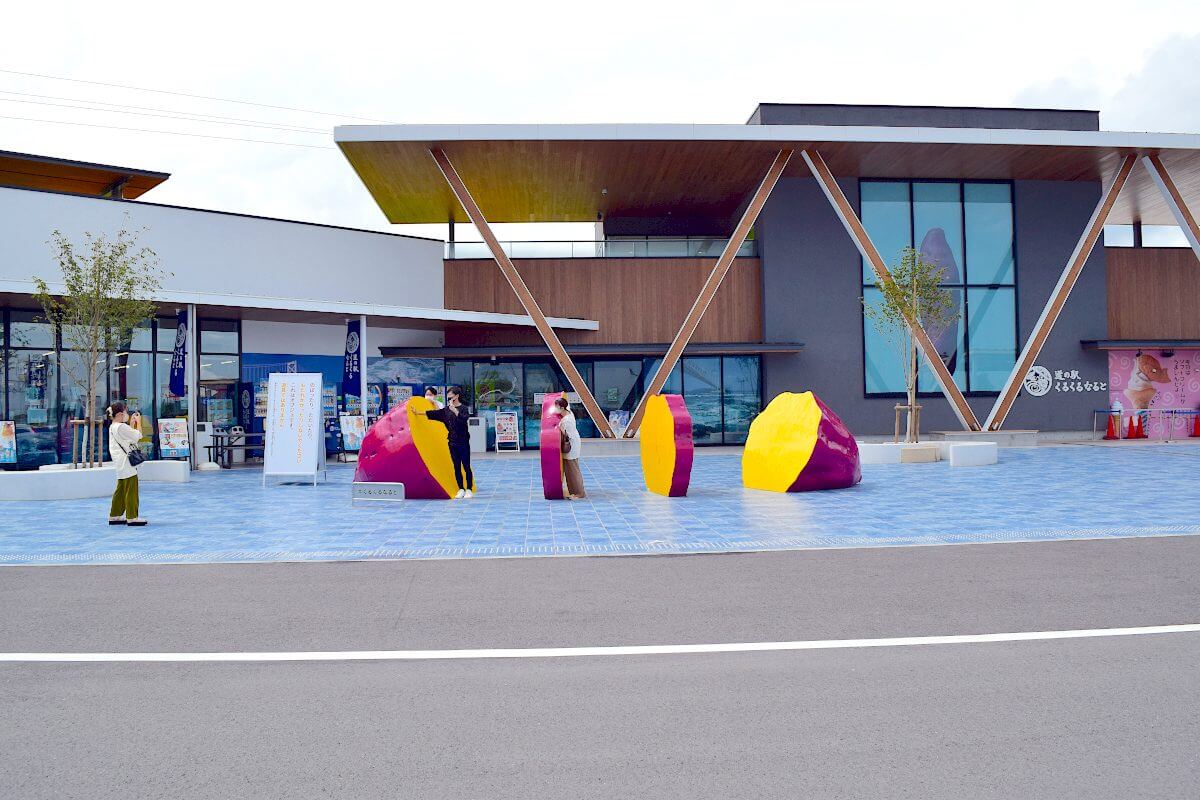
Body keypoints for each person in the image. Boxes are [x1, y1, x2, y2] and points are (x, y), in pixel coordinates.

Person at [425, 386, 473, 498]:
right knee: (456, 466)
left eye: (451, 395)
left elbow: (463, 420)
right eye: (448, 395)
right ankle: (460, 488)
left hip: (463, 442)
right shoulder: (446, 410)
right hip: (452, 442)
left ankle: (469, 489)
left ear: (457, 396)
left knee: (466, 466)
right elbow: (432, 414)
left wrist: (455, 410)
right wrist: (417, 412)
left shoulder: (464, 409)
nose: (449, 397)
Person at [107, 402, 147, 526]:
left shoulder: (114, 426)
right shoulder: (121, 427)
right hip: (126, 462)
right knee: (131, 488)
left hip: (119, 461)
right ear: (120, 414)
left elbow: (126, 437)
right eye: (125, 411)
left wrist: (131, 424)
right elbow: (137, 435)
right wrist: (139, 422)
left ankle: (115, 515)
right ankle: (132, 517)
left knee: (121, 489)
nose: (127, 414)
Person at [553, 396, 586, 499]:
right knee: (570, 470)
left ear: (562, 408)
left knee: (573, 470)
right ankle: (573, 491)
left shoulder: (565, 421)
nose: (555, 409)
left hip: (571, 446)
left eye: (556, 407)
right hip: (573, 444)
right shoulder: (569, 413)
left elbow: (568, 435)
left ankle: (579, 493)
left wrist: (560, 428)